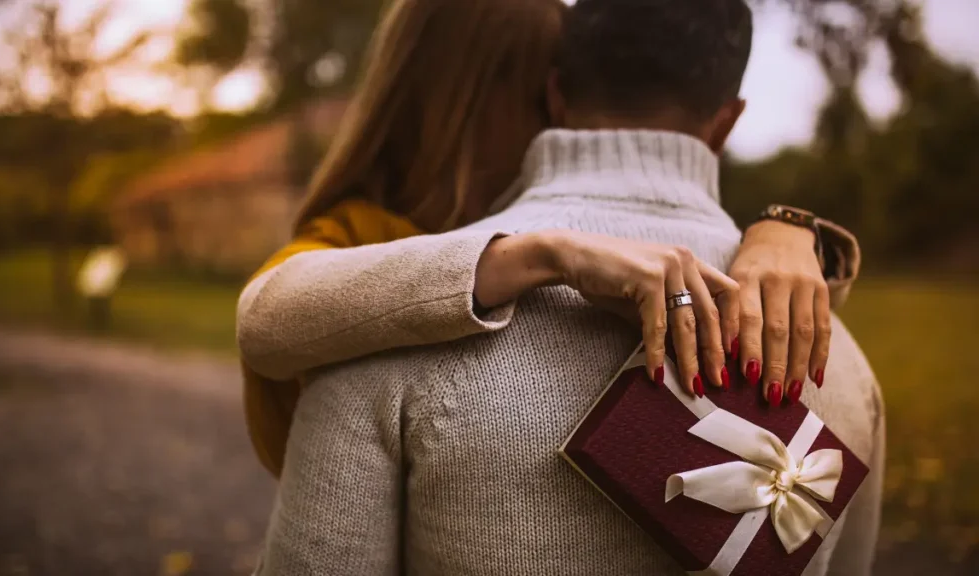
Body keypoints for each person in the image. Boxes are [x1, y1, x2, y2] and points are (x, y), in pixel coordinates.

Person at [248, 0, 885, 574]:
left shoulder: (377, 340)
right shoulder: (850, 370)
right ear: (726, 124)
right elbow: (268, 314)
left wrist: (790, 229)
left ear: (555, 98)